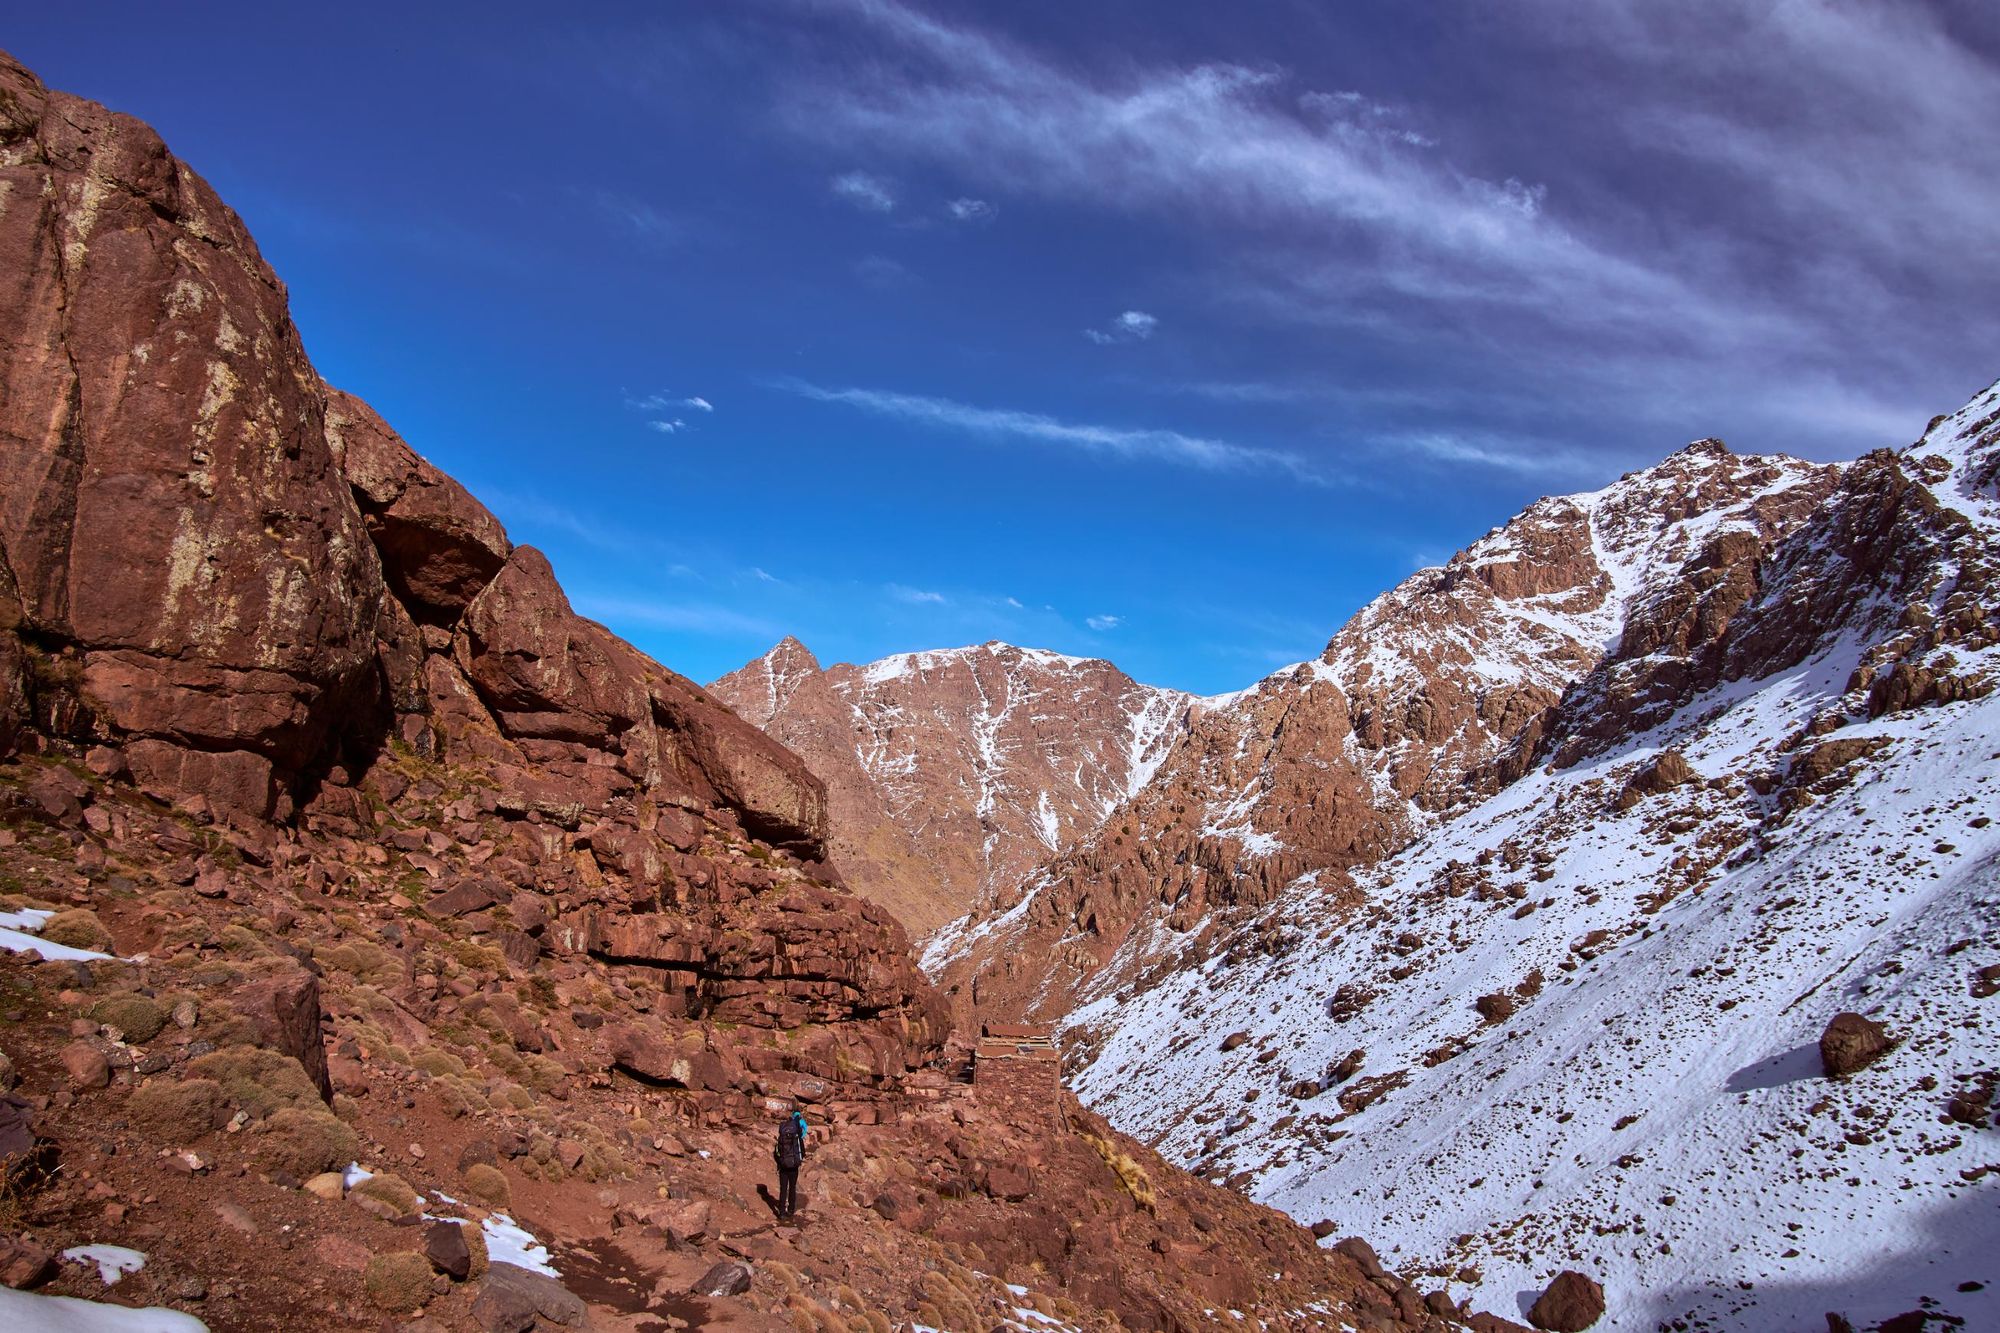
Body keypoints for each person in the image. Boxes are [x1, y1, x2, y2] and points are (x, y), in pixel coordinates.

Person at [773, 1103, 808, 1220]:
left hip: (783, 1165)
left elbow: (777, 1150)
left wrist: (779, 1162)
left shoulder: (782, 1133)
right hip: (793, 1164)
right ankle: (791, 1210)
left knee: (783, 1188)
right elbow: (802, 1149)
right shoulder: (797, 1132)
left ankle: (781, 1212)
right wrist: (801, 1158)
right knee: (792, 1187)